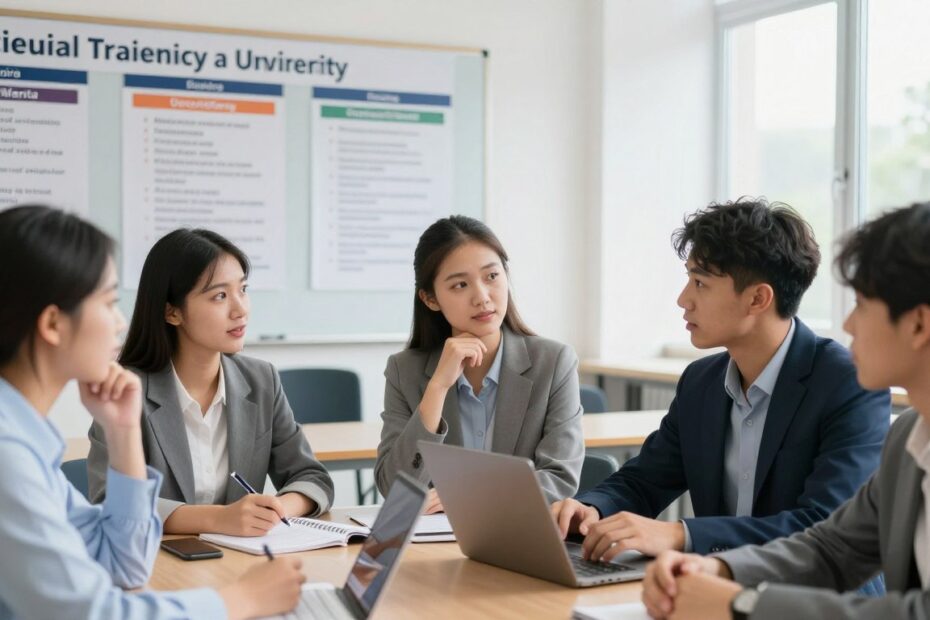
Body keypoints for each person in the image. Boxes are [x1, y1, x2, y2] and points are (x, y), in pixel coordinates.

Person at [0, 205, 304, 619]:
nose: (120, 322)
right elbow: (92, 613)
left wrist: (124, 432)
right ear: (53, 325)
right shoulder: (8, 455)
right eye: (108, 303)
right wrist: (241, 600)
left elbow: (123, 568)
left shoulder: (28, 442)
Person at [552, 198, 890, 566]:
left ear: (758, 298)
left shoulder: (848, 383)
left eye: (700, 282)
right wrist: (591, 510)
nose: (684, 300)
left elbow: (823, 528)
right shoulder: (702, 381)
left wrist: (682, 534)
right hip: (716, 588)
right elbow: (644, 480)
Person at [640, 201, 930, 619]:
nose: (848, 325)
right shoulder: (909, 438)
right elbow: (833, 549)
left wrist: (744, 604)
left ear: (918, 324)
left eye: (863, 304)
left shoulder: (844, 385)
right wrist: (716, 567)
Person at [87, 229, 333, 535]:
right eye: (220, 295)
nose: (240, 309)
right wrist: (218, 519)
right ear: (172, 312)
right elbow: (109, 501)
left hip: (238, 560)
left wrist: (275, 509)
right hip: (158, 564)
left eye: (243, 289)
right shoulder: (126, 392)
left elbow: (312, 477)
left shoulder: (261, 380)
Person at [375, 215, 584, 512]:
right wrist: (438, 387)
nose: (483, 297)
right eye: (460, 285)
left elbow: (559, 479)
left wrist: (465, 497)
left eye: (492, 276)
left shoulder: (554, 363)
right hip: (434, 546)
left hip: (516, 539)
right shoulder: (403, 370)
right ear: (431, 299)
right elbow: (393, 488)